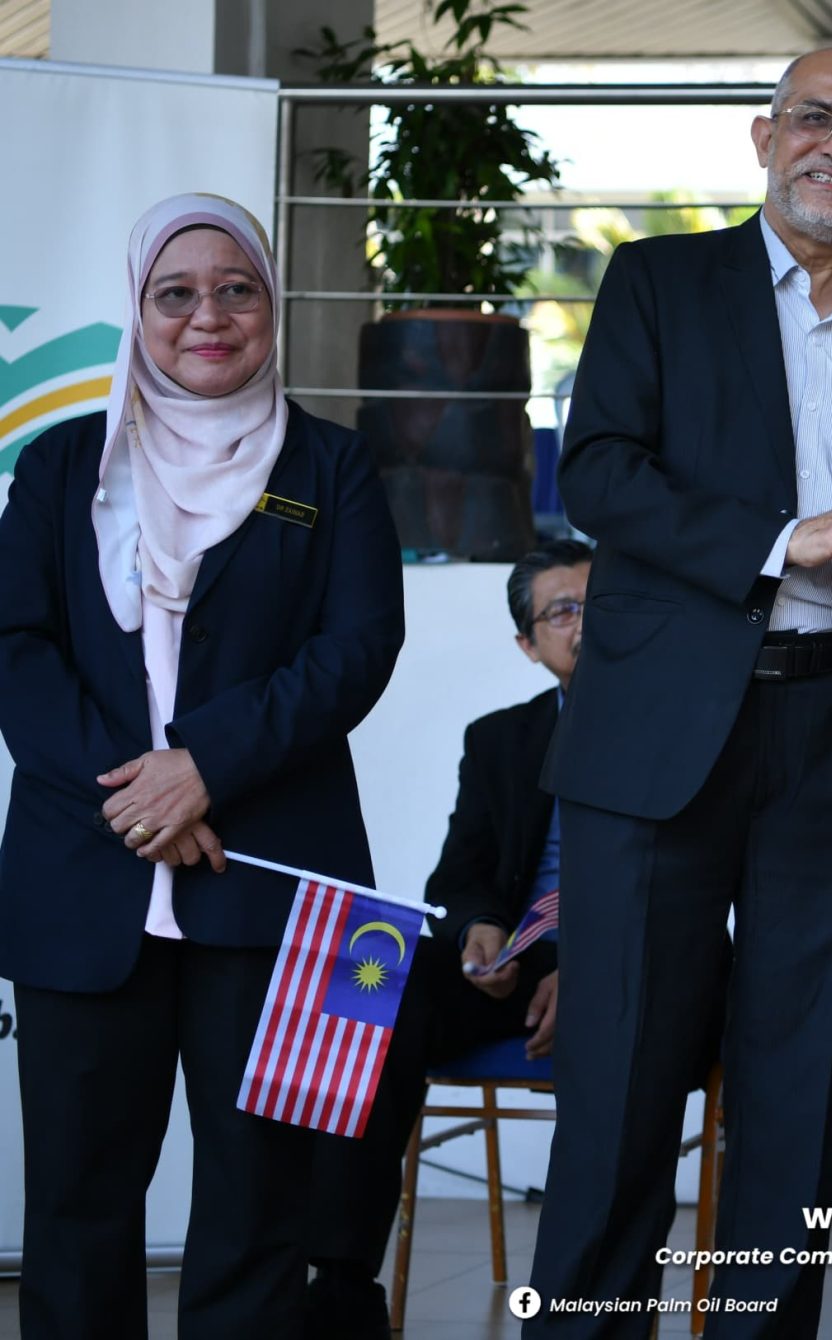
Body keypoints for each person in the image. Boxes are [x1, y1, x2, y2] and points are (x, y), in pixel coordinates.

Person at [526, 47, 832, 1335]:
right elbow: (599, 473)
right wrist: (786, 536)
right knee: (619, 1083)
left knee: (797, 1100)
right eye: (812, 119)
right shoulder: (659, 282)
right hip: (661, 736)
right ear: (762, 135)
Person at [0, 193, 403, 1337]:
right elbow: (15, 645)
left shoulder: (332, 465)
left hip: (275, 890)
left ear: (272, 306)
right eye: (177, 293)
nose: (209, 315)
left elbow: (356, 649)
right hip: (86, 880)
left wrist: (204, 768)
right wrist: (141, 797)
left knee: (262, 1202)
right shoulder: (63, 462)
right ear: (139, 309)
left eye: (238, 289)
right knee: (77, 1206)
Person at [304, 537, 681, 1338]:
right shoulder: (500, 740)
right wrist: (480, 929)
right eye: (563, 611)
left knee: (628, 993)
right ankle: (335, 1278)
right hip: (522, 951)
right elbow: (460, 873)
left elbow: (686, 883)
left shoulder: (684, 727)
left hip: (641, 955)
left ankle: (589, 1296)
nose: (585, 623)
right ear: (529, 643)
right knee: (371, 973)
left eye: (600, 603)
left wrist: (588, 964)